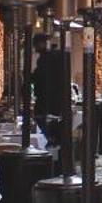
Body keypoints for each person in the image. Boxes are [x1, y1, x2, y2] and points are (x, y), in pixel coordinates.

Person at [32, 33, 73, 169]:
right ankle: (59, 164)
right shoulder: (57, 57)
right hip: (57, 103)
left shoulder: (47, 60)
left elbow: (41, 79)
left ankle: (52, 165)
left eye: (36, 44)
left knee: (50, 136)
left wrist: (30, 78)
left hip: (49, 104)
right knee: (57, 137)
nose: (35, 48)